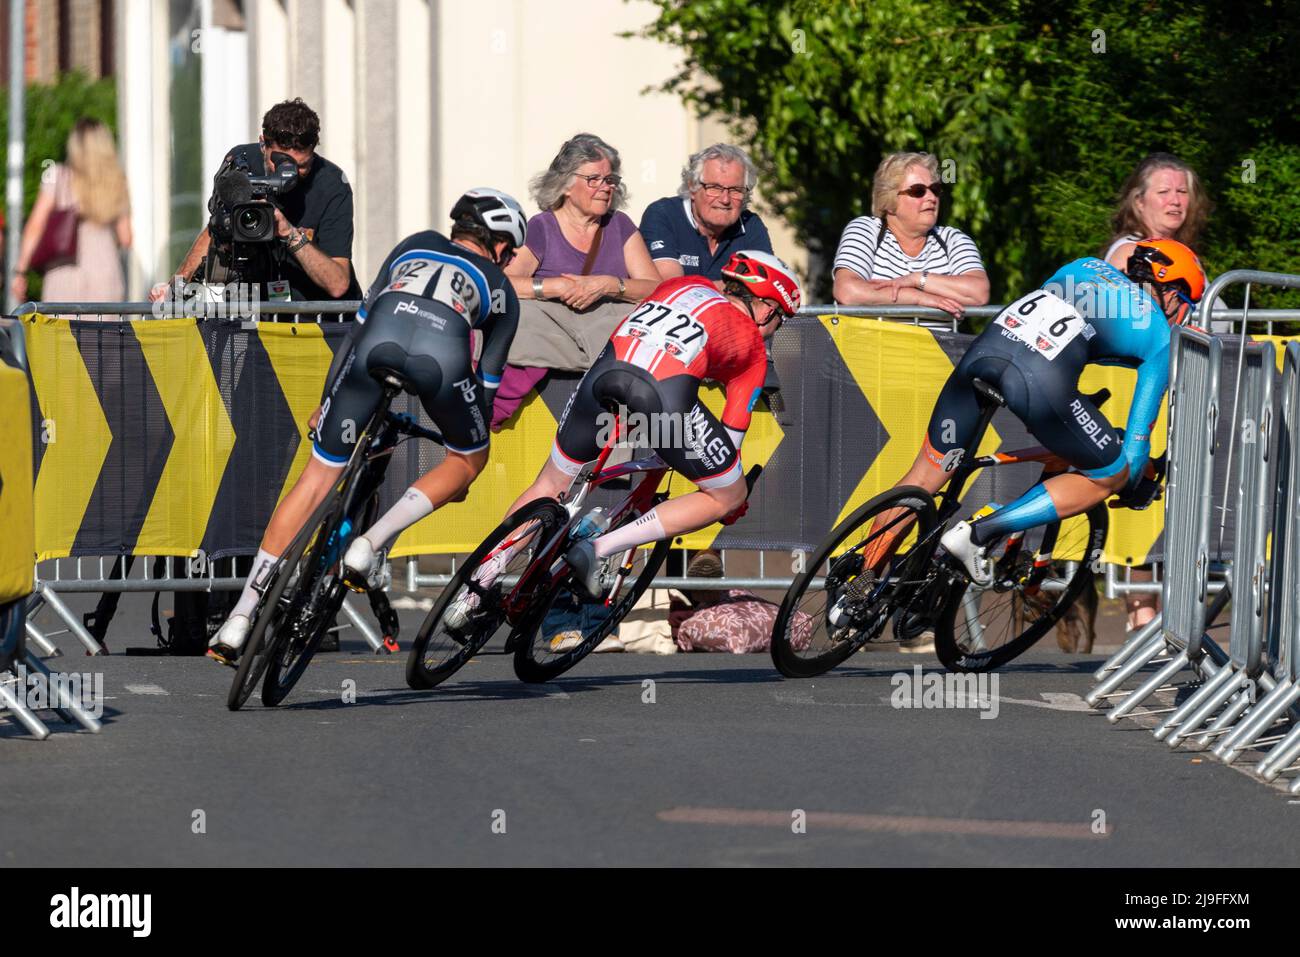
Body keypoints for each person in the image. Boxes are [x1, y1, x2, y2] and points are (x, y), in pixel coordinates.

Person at [206, 188, 526, 663]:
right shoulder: (501, 288)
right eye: (512, 250)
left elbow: (355, 330)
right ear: (500, 245)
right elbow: (484, 393)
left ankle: (240, 616)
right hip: (441, 360)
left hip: (374, 345)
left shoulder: (415, 242)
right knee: (469, 458)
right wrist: (462, 461)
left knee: (316, 478)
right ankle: (370, 544)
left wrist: (325, 401)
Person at [867, 240, 1205, 652]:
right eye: (1189, 302)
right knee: (1111, 471)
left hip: (983, 355)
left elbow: (1075, 330)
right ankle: (980, 533)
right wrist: (1138, 481)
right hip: (1038, 380)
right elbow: (1135, 450)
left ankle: (855, 586)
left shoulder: (1081, 265)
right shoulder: (1161, 337)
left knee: (922, 478)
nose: (1186, 313)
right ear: (1171, 292)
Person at [449, 250, 801, 624]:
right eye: (779, 319)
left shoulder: (683, 284)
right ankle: (598, 549)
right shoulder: (754, 352)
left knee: (551, 483)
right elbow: (728, 445)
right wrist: (733, 501)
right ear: (764, 307)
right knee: (726, 494)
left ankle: (473, 589)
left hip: (604, 374)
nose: (774, 330)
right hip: (663, 395)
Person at [1103, 153, 1210, 636]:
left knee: (1168, 493)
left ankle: (1162, 611)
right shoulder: (1129, 252)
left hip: (1179, 391)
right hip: (1136, 389)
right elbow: (1144, 322)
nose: (1175, 200)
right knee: (1136, 487)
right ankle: (1141, 610)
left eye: (1182, 191)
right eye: (1164, 191)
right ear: (1138, 201)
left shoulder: (1187, 258)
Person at [491, 133, 660, 430]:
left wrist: (611, 285)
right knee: (521, 314)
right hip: (556, 346)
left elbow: (656, 289)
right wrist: (553, 287)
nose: (605, 188)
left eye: (610, 180)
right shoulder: (542, 227)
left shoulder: (619, 226)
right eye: (594, 179)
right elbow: (501, 284)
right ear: (567, 184)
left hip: (606, 348)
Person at [149, 98, 360, 305]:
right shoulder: (242, 164)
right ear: (262, 145)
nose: (291, 174)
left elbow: (338, 284)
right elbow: (218, 227)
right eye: (281, 163)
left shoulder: (331, 184)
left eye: (301, 166)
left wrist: (290, 234)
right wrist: (174, 289)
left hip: (320, 324)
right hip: (260, 318)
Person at [832, 151, 989, 326]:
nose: (931, 198)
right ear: (889, 200)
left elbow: (978, 292)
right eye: (918, 191)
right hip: (872, 351)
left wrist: (918, 279)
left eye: (935, 189)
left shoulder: (954, 239)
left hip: (939, 351)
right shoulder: (866, 230)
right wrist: (918, 299)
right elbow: (848, 291)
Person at [11, 118, 131, 304]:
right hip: (106, 272)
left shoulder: (58, 175)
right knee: (103, 332)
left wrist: (20, 271)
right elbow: (126, 238)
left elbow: (36, 225)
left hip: (64, 272)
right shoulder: (117, 181)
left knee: (61, 331)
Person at [640, 143, 774, 282]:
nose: (725, 199)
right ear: (692, 187)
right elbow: (671, 287)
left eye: (735, 190)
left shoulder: (750, 224)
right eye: (714, 188)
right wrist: (736, 287)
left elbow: (767, 284)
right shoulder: (664, 214)